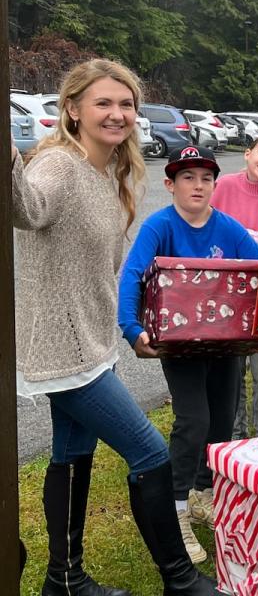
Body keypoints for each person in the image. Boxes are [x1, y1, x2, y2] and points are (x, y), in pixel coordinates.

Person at [11, 59, 219, 595]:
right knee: (149, 452)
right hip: (64, 348)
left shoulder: (107, 173)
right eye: (103, 103)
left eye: (125, 104)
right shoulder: (58, 165)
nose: (117, 114)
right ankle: (179, 580)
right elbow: (26, 209)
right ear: (73, 110)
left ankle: (64, 579)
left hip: (90, 341)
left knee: (71, 456)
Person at [118, 146, 258, 563]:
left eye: (205, 178)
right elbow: (133, 274)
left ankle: (204, 492)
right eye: (187, 177)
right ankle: (176, 507)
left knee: (221, 419)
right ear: (171, 184)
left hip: (225, 342)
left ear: (215, 185)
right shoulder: (159, 225)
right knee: (193, 419)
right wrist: (130, 327)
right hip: (180, 344)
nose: (197, 185)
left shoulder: (230, 228)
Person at [209, 136, 258, 440]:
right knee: (232, 376)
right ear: (247, 154)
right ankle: (235, 438)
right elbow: (208, 223)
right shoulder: (225, 185)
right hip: (229, 291)